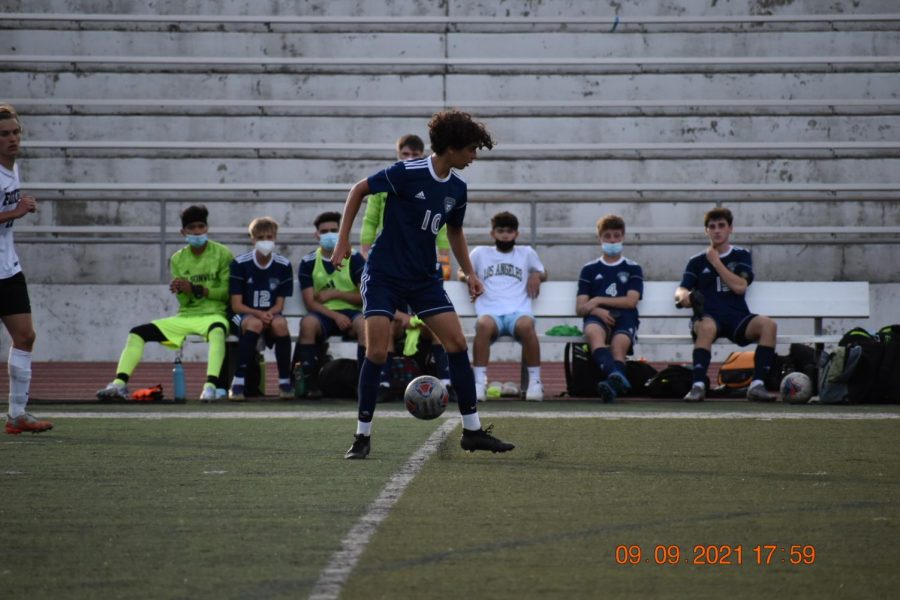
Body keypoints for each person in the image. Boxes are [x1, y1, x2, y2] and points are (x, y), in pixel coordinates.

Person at [331, 109, 515, 459]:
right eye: (471, 149)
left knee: (457, 344)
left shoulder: (458, 188)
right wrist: (344, 241)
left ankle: (472, 431)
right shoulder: (408, 172)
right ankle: (362, 435)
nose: (474, 156)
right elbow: (359, 190)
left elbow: (455, 230)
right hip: (384, 274)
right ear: (452, 147)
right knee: (377, 351)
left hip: (424, 278)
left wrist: (471, 273)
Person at [97, 205, 233, 402]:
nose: (197, 231)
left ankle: (210, 387)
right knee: (137, 332)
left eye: (200, 227)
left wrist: (194, 288)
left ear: (207, 228)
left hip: (213, 315)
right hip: (186, 316)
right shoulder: (178, 258)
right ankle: (119, 384)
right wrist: (181, 291)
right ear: (183, 232)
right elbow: (185, 301)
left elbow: (226, 294)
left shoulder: (222, 253)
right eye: (192, 228)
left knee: (218, 331)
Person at [360, 133, 453, 395]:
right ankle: (384, 382)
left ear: (423, 155)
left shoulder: (431, 183)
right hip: (388, 259)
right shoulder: (390, 180)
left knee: (437, 324)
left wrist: (444, 256)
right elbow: (370, 220)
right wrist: (366, 250)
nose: (409, 159)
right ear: (398, 154)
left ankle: (447, 381)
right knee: (385, 323)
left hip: (419, 261)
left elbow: (443, 226)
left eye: (414, 155)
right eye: (405, 154)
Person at [674, 207, 778, 402]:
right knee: (705, 326)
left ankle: (757, 385)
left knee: (768, 325)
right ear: (706, 231)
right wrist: (683, 297)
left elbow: (740, 287)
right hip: (708, 315)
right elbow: (681, 289)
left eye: (721, 225)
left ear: (730, 228)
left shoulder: (741, 255)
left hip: (736, 316)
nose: (717, 230)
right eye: (712, 227)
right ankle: (698, 386)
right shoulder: (696, 261)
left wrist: (716, 262)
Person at [1, 104, 52, 434]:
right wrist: (16, 211)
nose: (12, 139)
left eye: (16, 132)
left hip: (7, 268)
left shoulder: (11, 168)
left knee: (25, 336)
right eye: (4, 134)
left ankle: (17, 413)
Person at [464, 211, 547, 401]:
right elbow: (463, 272)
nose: (505, 235)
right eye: (500, 231)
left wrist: (536, 275)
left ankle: (535, 382)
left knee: (527, 326)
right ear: (492, 233)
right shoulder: (480, 253)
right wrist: (470, 277)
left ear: (516, 234)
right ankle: (478, 383)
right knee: (483, 325)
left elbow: (543, 272)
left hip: (518, 311)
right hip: (490, 312)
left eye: (509, 231)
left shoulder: (526, 253)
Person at [295, 211, 366, 398]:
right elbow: (310, 302)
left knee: (365, 325)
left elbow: (364, 297)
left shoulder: (355, 258)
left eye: (334, 230)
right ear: (316, 234)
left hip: (352, 315)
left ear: (342, 231)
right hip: (323, 317)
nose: (329, 234)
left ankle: (363, 383)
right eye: (324, 231)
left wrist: (336, 293)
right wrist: (335, 316)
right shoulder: (308, 262)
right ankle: (310, 385)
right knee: (307, 324)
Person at [575, 214, 643, 403]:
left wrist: (597, 300)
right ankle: (615, 376)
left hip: (625, 316)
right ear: (600, 238)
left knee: (618, 346)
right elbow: (580, 308)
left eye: (616, 236)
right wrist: (596, 310)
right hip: (597, 316)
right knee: (592, 332)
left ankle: (611, 385)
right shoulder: (589, 269)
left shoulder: (633, 268)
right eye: (607, 236)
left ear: (623, 237)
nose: (612, 240)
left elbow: (631, 301)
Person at [228, 217, 294, 401]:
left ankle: (284, 382)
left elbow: (279, 305)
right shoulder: (240, 264)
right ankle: (238, 382)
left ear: (275, 237)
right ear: (252, 239)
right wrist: (260, 314)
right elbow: (236, 305)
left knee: (280, 323)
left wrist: (269, 314)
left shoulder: (283, 265)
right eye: (260, 237)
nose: (265, 241)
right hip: (239, 316)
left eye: (269, 236)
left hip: (269, 314)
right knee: (255, 324)